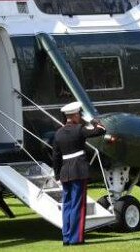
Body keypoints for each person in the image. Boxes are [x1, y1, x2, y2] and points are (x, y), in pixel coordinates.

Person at [52, 101, 106, 246]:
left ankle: (66, 237)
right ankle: (76, 239)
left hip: (65, 172)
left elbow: (56, 157)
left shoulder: (58, 133)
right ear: (75, 115)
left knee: (67, 205)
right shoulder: (79, 129)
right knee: (77, 205)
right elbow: (101, 130)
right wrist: (93, 120)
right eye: (79, 114)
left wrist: (57, 175)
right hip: (79, 171)